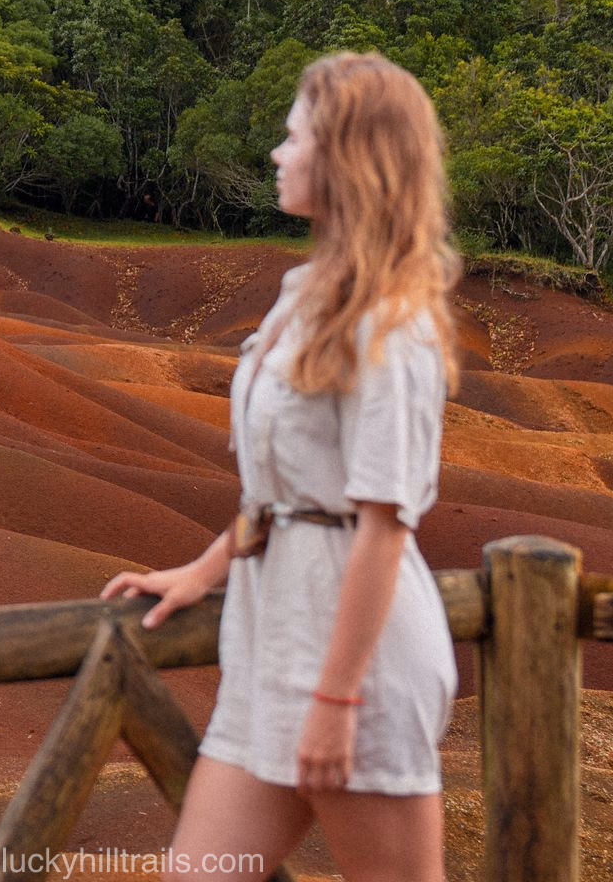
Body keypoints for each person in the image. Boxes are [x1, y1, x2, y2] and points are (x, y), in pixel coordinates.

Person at [100, 51, 462, 882]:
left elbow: (379, 527)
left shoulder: (390, 328)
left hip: (355, 670)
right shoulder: (305, 297)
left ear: (346, 160)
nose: (277, 153)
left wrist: (336, 701)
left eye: (293, 136)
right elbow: (281, 494)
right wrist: (202, 570)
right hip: (267, 645)